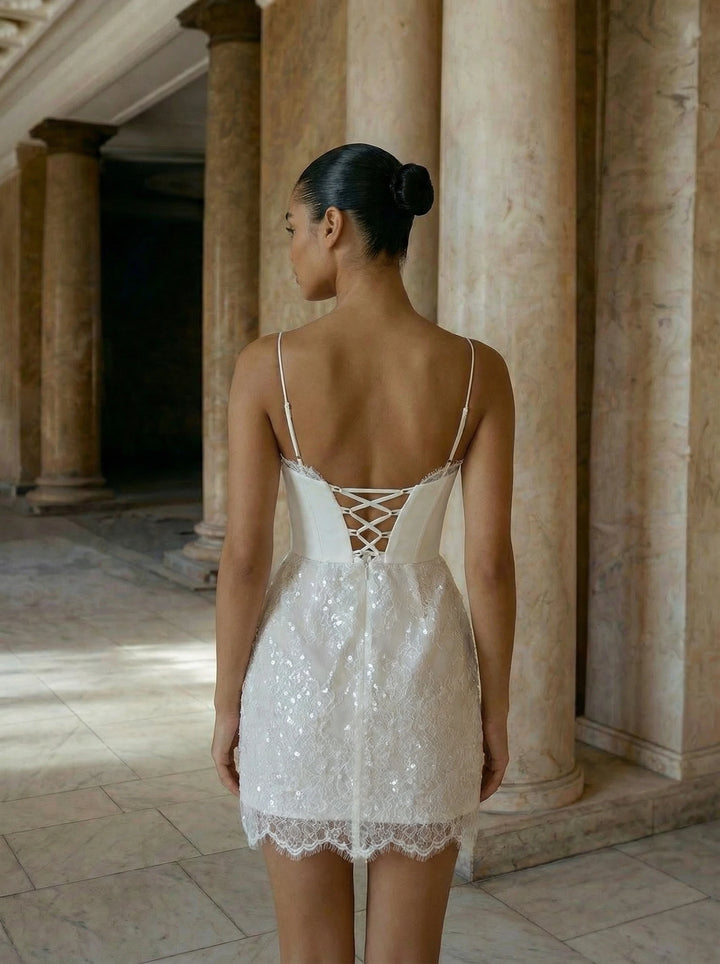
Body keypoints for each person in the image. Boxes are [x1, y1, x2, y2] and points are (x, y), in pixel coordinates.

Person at [211, 143, 516, 964]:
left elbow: (243, 557)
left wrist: (226, 706)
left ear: (334, 226)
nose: (292, 248)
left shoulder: (266, 366)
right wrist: (495, 710)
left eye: (293, 229)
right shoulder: (479, 371)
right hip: (427, 670)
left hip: (300, 665)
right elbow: (489, 564)